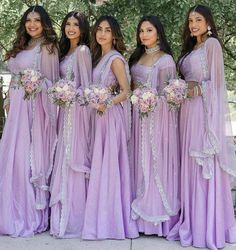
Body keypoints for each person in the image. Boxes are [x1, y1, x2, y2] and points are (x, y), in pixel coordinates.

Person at [167, 5, 236, 249]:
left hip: (202, 113)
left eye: (198, 19)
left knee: (200, 164)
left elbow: (216, 85)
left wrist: (194, 89)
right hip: (186, 112)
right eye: (190, 20)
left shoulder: (212, 45)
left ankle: (206, 226)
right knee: (188, 165)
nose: (193, 24)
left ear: (208, 22)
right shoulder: (191, 48)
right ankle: (191, 219)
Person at [0, 5, 59, 236]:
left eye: (36, 20)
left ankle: (28, 212)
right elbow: (15, 76)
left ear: (44, 23)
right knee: (11, 157)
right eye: (28, 20)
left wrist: (34, 84)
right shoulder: (23, 45)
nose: (32, 24)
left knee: (25, 158)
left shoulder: (48, 47)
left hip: (33, 111)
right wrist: (8, 98)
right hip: (16, 111)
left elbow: (51, 83)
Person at [82, 15, 138, 240]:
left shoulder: (114, 59)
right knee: (100, 164)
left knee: (109, 166)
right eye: (99, 29)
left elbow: (126, 92)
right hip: (99, 115)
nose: (102, 33)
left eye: (107, 30)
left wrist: (107, 103)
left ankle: (112, 222)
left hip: (110, 116)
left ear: (114, 35)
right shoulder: (98, 57)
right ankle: (101, 216)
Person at [129, 16, 180, 236]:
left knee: (154, 164)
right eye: (141, 31)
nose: (144, 35)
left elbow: (172, 96)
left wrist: (150, 99)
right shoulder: (137, 57)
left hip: (158, 122)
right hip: (137, 120)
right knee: (138, 164)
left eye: (149, 30)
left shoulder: (166, 60)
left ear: (158, 32)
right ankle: (138, 219)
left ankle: (157, 220)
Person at [49, 11, 92, 238]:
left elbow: (86, 88)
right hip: (64, 112)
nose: (71, 28)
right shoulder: (64, 52)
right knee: (62, 158)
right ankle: (60, 213)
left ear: (83, 29)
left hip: (77, 113)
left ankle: (75, 218)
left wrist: (68, 94)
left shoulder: (83, 51)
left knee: (72, 157)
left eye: (75, 24)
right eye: (67, 24)